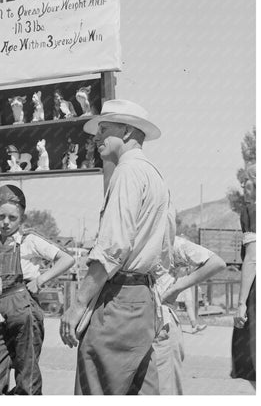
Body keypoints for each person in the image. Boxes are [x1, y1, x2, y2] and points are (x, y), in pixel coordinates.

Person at [60, 99, 174, 395]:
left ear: (125, 132)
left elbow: (112, 247)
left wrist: (78, 305)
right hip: (143, 301)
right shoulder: (155, 176)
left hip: (118, 302)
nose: (96, 136)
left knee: (96, 388)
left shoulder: (127, 172)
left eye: (104, 128)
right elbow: (165, 248)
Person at [0, 184, 74, 395]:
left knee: (27, 380)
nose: (6, 222)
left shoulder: (30, 241)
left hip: (24, 313)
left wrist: (41, 279)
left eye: (12, 218)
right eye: (1, 217)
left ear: (22, 218)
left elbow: (67, 259)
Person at [154, 236, 226, 394]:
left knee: (165, 389)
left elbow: (217, 263)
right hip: (137, 321)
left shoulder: (170, 242)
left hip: (162, 322)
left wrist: (176, 288)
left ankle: (194, 323)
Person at [231, 163, 256, 386]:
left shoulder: (252, 210)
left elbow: (253, 258)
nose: (243, 187)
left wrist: (240, 304)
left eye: (246, 181)